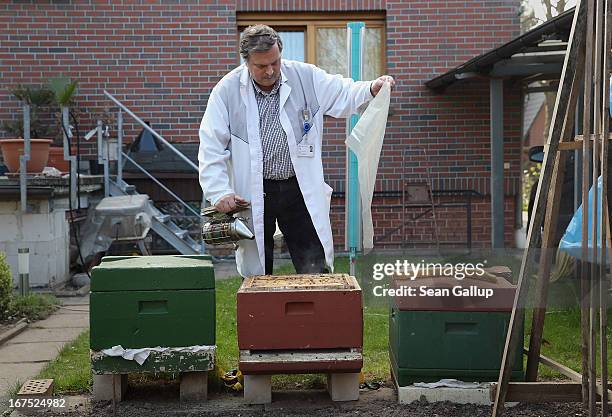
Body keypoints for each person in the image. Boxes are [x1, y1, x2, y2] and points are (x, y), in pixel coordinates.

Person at [198, 24, 395, 277]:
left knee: (313, 259)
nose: (270, 71)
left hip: (298, 187)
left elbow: (342, 91)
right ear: (246, 62)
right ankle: (261, 313)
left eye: (275, 62)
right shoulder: (226, 91)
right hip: (256, 190)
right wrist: (219, 191)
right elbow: (211, 145)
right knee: (257, 264)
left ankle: (318, 309)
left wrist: (371, 88)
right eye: (261, 66)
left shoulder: (305, 76)